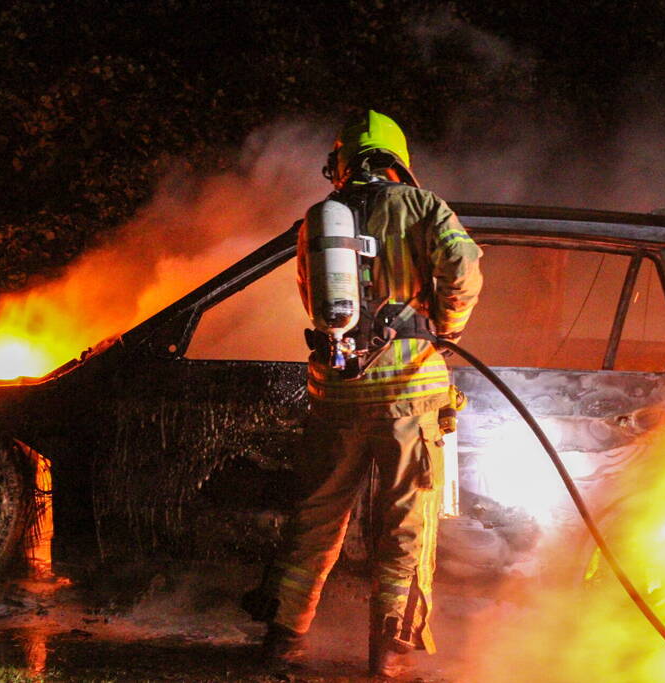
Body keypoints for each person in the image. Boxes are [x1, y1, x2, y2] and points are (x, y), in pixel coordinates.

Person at [248, 110, 482, 679]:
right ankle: (387, 656)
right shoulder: (426, 208)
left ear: (343, 164)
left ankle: (283, 637)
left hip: (336, 393)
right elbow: (464, 268)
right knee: (403, 522)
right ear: (399, 160)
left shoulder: (317, 220)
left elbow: (314, 297)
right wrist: (445, 329)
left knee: (317, 515)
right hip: (410, 395)